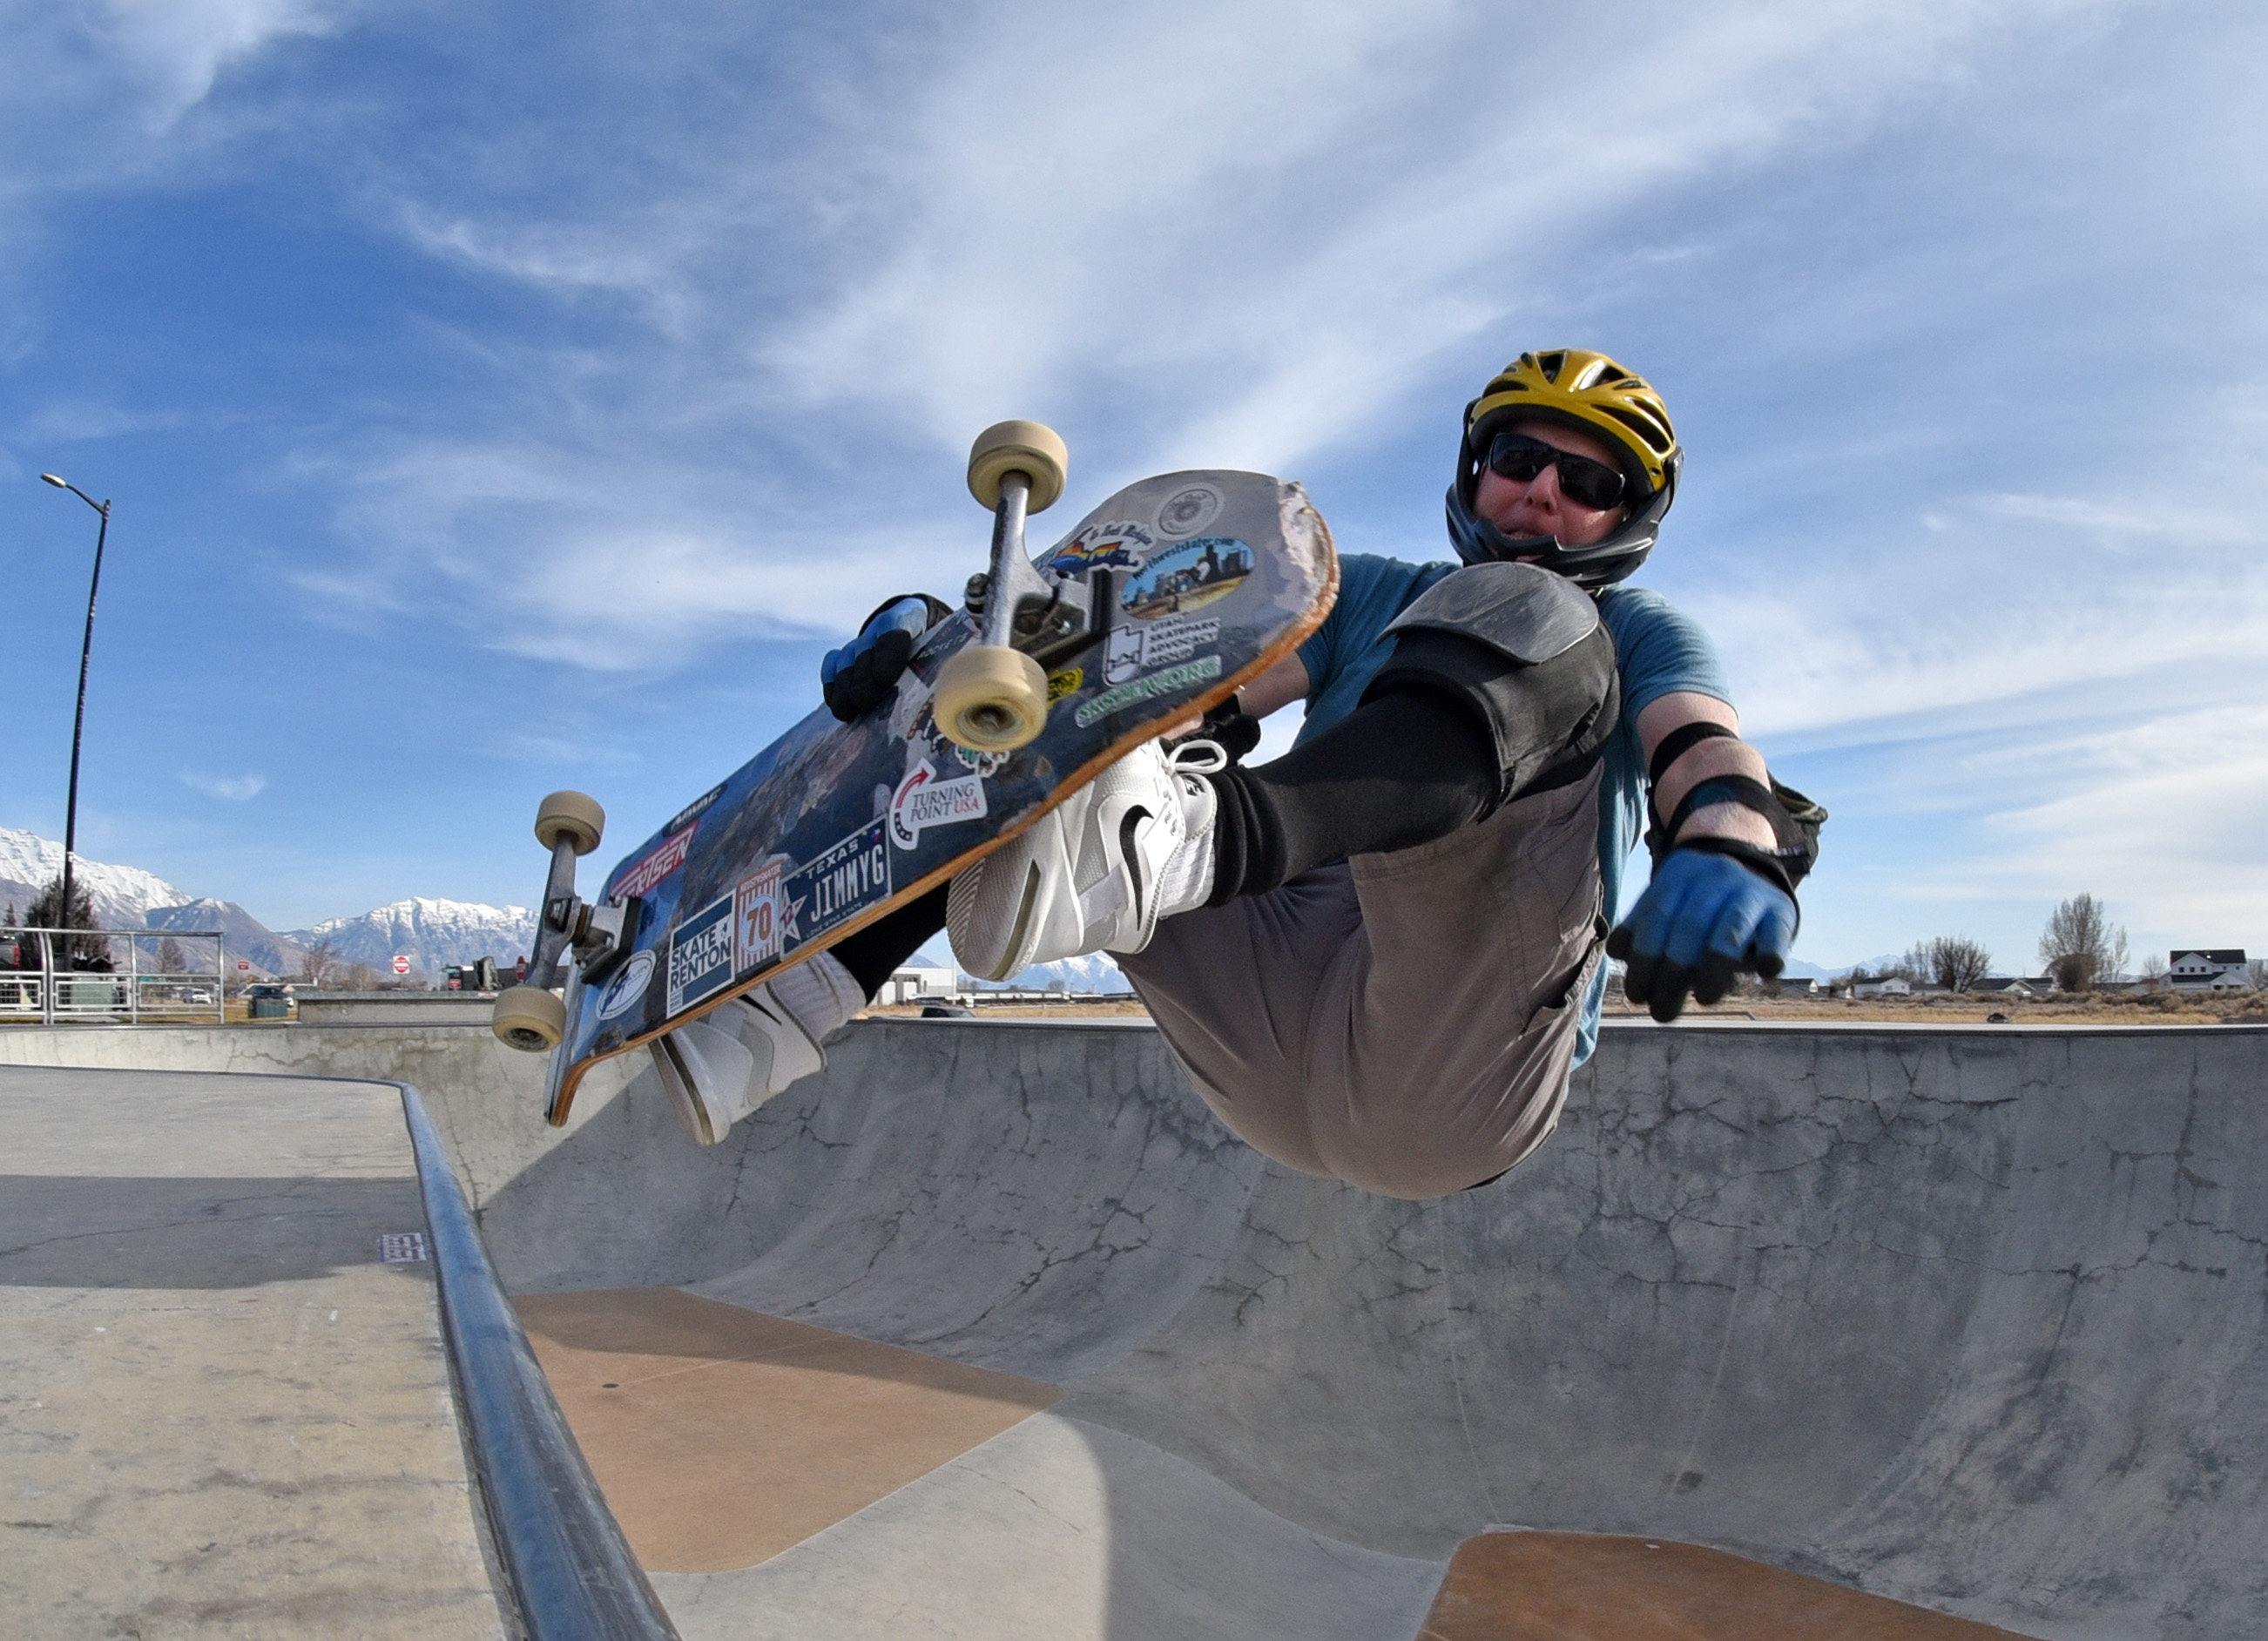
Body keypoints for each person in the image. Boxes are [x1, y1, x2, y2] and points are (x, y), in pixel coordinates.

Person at [655, 349, 1823, 1196]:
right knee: (1053, 696)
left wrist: (1731, 837)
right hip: (1252, 1010)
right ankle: (779, 1008)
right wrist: (945, 656)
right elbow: (1194, 681)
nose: (1546, 494)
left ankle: (1171, 847)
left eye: (1591, 484)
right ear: (1475, 474)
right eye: (1520, 460)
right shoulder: (1365, 590)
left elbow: (1700, 743)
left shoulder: (1642, 628)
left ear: (1628, 518)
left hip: (1444, 1067)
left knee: (1542, 616)